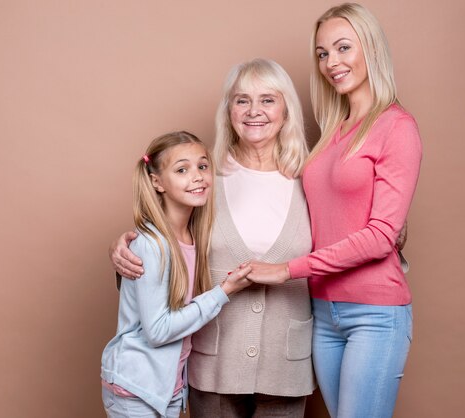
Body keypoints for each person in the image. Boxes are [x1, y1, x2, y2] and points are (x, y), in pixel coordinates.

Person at [109, 59, 316, 417]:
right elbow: (167, 238)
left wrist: (392, 229)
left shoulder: (312, 179)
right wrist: (124, 248)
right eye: (241, 100)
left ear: (286, 110)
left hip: (287, 362)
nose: (254, 111)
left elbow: (349, 241)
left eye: (268, 100)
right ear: (228, 111)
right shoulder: (206, 179)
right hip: (214, 362)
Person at [246, 4, 423, 418]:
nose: (332, 63)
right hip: (322, 312)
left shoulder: (397, 127)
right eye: (323, 53)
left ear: (372, 49)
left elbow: (380, 237)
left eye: (343, 48)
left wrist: (286, 269)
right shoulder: (333, 131)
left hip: (375, 315)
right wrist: (149, 235)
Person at [101, 131, 252, 418]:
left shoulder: (195, 235)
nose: (197, 176)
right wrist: (223, 292)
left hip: (168, 387)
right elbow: (158, 331)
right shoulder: (152, 244)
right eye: (182, 169)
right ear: (157, 182)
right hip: (137, 388)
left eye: (202, 166)